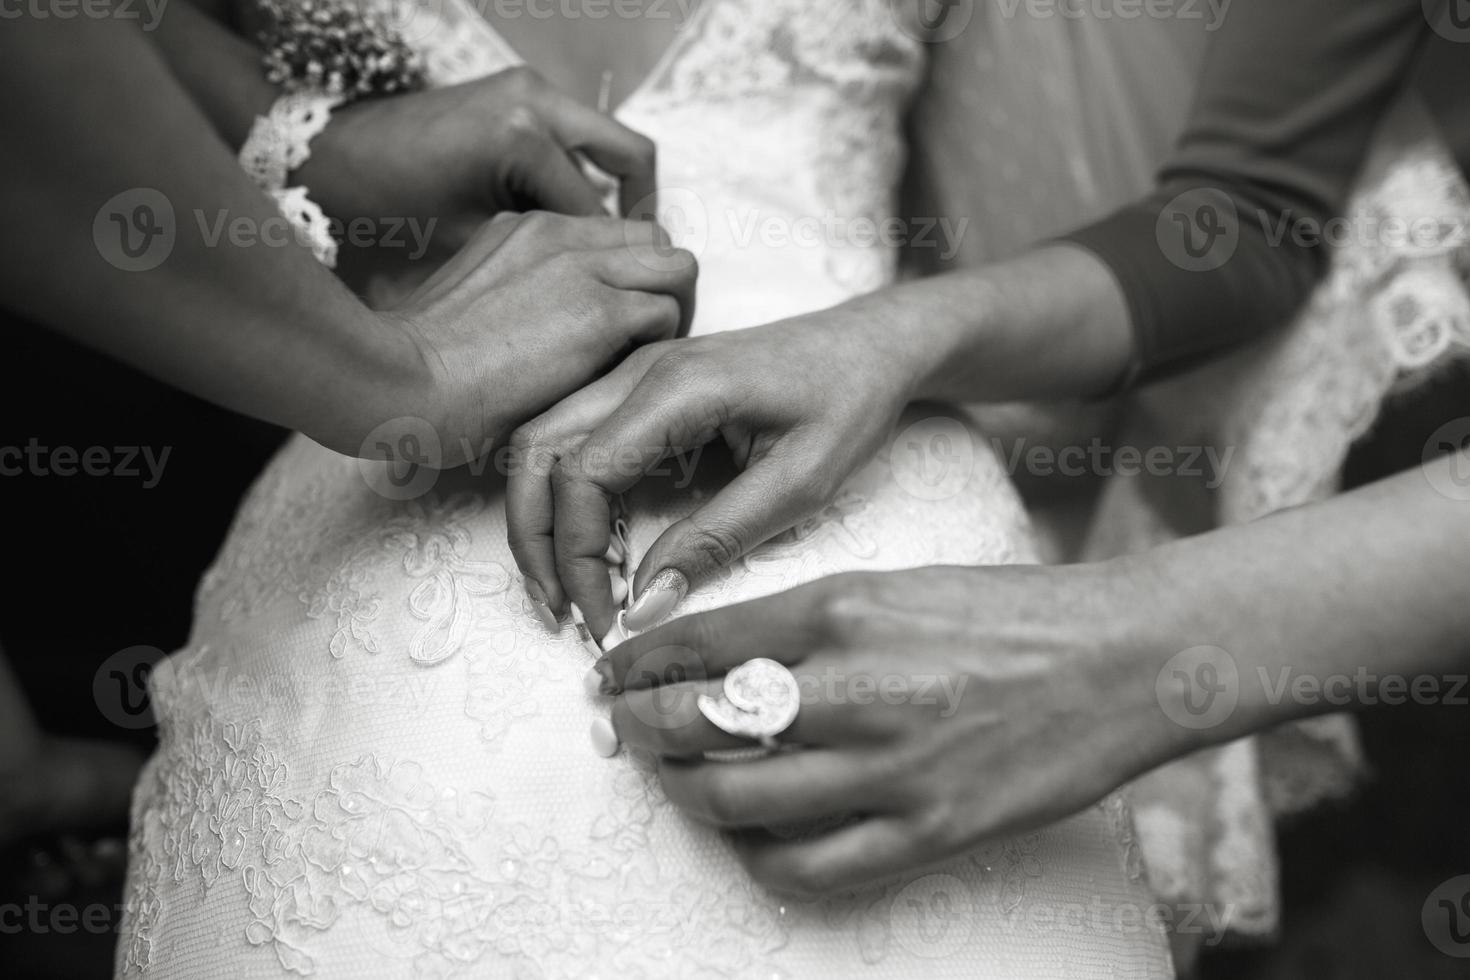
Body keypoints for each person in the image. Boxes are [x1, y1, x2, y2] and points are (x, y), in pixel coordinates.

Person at [115, 1, 1185, 976]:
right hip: (373, 534)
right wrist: (309, 141)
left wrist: (892, 334)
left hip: (863, 450)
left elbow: (1197, 229)